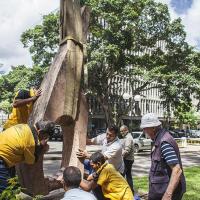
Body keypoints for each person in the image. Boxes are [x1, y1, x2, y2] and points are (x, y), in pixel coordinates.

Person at [0, 120, 56, 193]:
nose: (45, 140)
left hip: (6, 159)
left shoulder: (25, 126)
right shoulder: (31, 142)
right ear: (40, 132)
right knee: (6, 191)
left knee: (12, 184)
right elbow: (30, 161)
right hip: (2, 160)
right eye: (45, 137)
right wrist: (42, 149)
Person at [140, 113, 186, 200]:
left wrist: (168, 195)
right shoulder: (159, 139)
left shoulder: (164, 142)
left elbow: (177, 170)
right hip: (159, 191)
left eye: (145, 128)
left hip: (166, 194)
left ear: (153, 128)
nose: (144, 131)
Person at [120, 125, 135, 193]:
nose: (121, 132)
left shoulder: (128, 138)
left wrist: (121, 157)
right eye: (121, 131)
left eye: (123, 131)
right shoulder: (126, 137)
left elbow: (127, 151)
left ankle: (125, 191)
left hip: (127, 160)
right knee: (128, 176)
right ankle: (130, 191)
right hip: (129, 159)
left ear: (127, 130)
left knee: (121, 176)